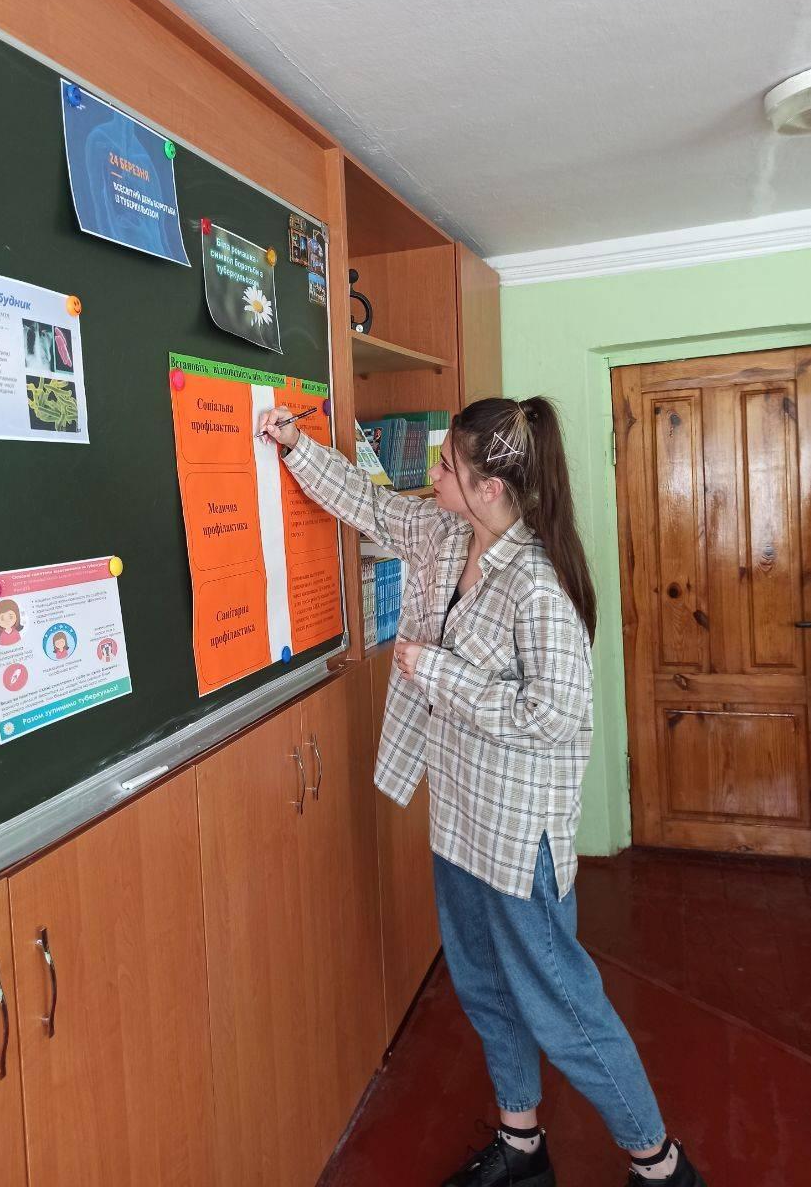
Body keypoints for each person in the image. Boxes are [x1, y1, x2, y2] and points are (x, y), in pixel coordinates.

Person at [258, 398, 706, 1187]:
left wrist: (438, 672)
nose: (433, 478)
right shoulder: (444, 533)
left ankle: (660, 1165)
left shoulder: (536, 586)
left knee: (561, 1005)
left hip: (516, 833)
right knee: (483, 985)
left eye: (445, 467)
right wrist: (295, 447)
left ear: (489, 488)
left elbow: (551, 717)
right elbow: (368, 505)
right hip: (459, 817)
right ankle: (521, 1145)